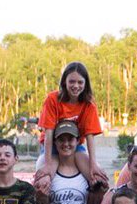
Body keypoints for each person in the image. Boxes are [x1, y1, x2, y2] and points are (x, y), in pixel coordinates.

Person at [36, 61, 110, 189]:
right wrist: (47, 164)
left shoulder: (88, 104)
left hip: (75, 146)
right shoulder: (53, 99)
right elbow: (48, 132)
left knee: (98, 180)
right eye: (72, 81)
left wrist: (93, 164)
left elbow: (90, 135)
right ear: (64, 81)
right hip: (52, 146)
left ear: (85, 84)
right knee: (43, 181)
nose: (76, 86)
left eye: (80, 82)